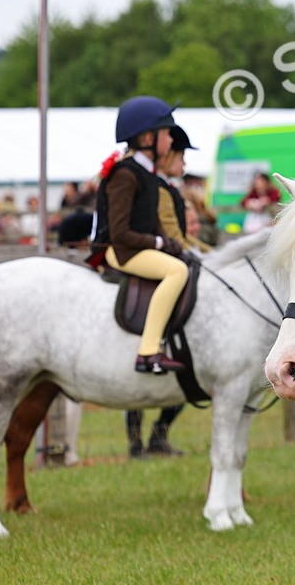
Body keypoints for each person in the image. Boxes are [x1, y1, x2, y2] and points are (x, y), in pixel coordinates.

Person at [92, 96, 189, 374]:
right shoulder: (125, 174)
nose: (171, 141)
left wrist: (168, 241)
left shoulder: (146, 172)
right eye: (167, 134)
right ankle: (148, 351)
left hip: (138, 246)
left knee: (185, 262)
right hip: (122, 250)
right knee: (176, 272)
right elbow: (121, 233)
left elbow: (148, 220)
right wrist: (159, 242)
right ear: (148, 137)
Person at [125, 124, 205, 458]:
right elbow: (173, 235)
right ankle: (136, 441)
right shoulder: (155, 187)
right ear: (168, 153)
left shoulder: (165, 186)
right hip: (151, 259)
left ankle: (155, 437)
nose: (184, 163)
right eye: (182, 155)